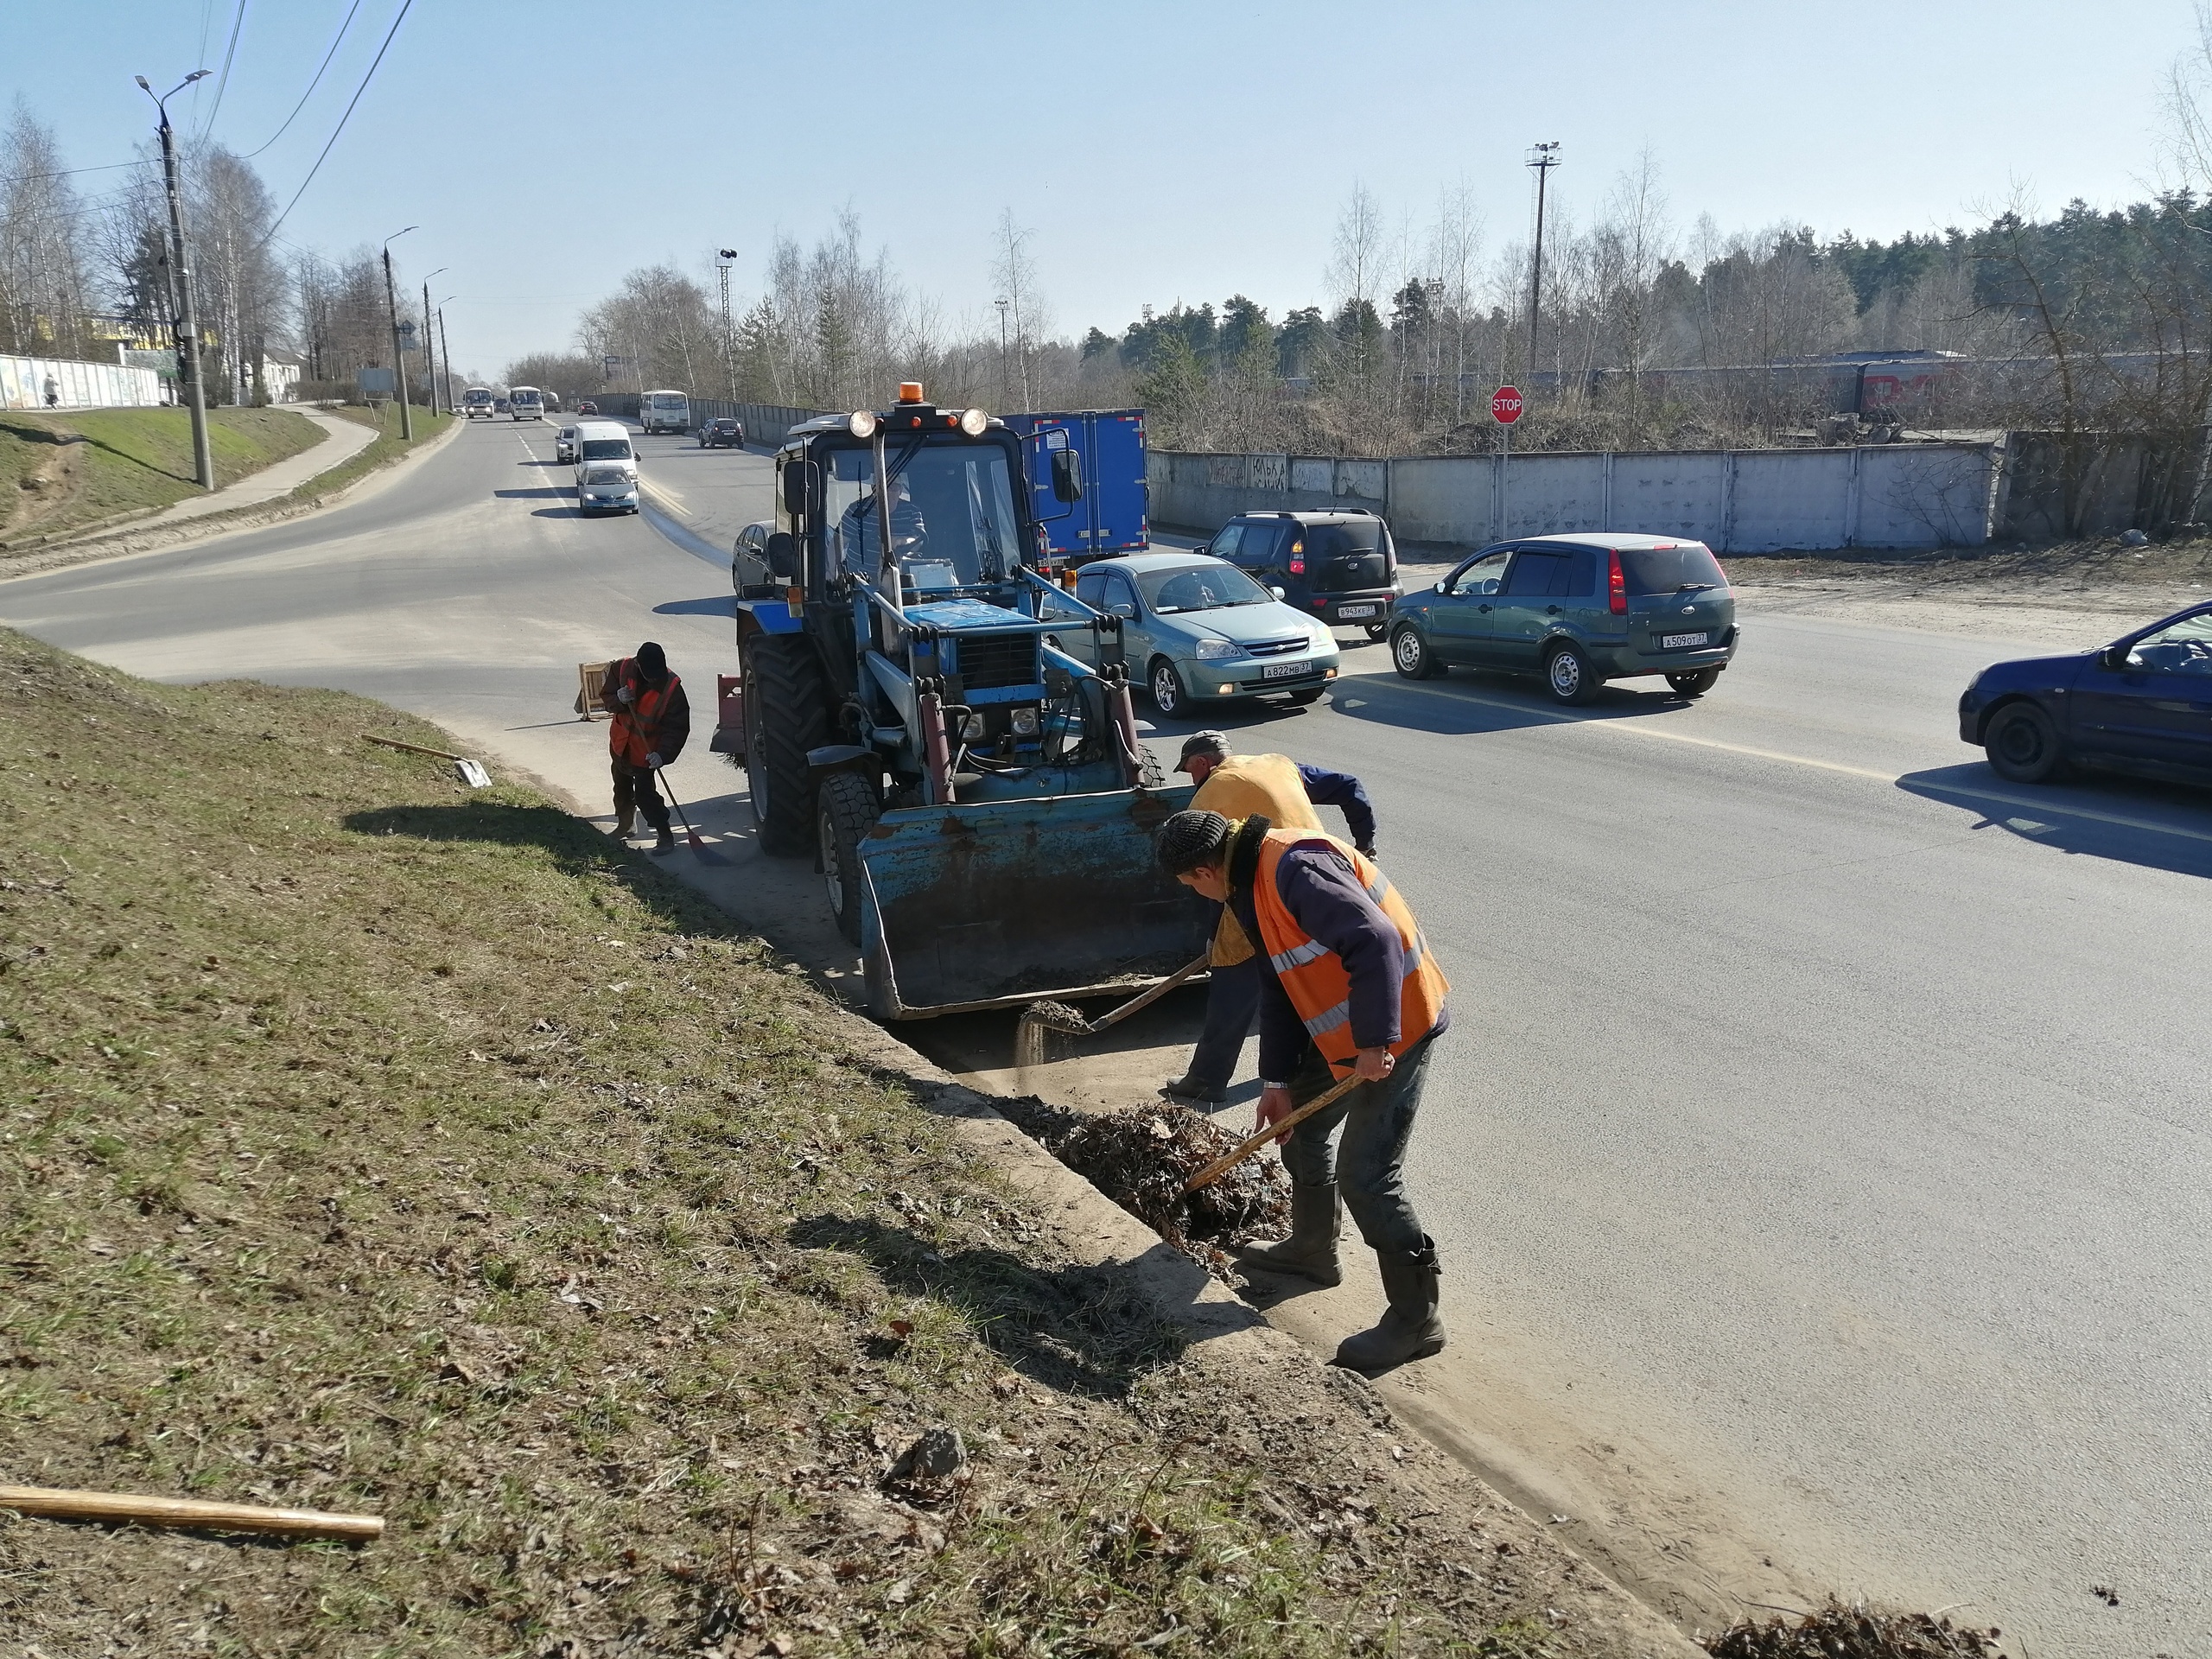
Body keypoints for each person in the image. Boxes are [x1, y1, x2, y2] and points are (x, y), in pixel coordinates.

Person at [1155, 807, 1451, 1372]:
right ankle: (1314, 1251)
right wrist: (1277, 1083)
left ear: (1201, 873)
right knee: (1298, 1130)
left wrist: (1374, 1041)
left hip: (1400, 1026)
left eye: (1190, 887)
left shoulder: (1294, 869)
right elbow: (1279, 985)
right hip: (1342, 1031)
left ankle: (1418, 1320)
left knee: (1369, 1176)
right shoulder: (1251, 886)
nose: (1198, 895)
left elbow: (1377, 939)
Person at [1160, 732, 1378, 1107]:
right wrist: (1365, 844)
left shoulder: (1207, 798)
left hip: (1264, 892)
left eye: (1189, 771)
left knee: (1233, 984)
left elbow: (1215, 876)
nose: (1191, 779)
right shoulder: (1278, 765)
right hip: (1322, 885)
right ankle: (1326, 1065)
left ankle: (1206, 1080)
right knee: (1312, 984)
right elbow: (1349, 786)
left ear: (1200, 764)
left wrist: (1215, 936)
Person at [605, 641, 690, 855]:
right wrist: (618, 699)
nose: (654, 679)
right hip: (620, 744)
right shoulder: (621, 669)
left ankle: (665, 835)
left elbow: (677, 728)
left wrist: (663, 755)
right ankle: (625, 825)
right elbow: (607, 697)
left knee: (646, 795)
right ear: (639, 665)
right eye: (649, 674)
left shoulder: (672, 689)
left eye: (657, 674)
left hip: (646, 752)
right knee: (621, 786)